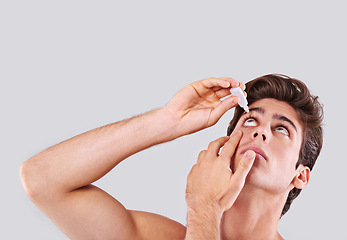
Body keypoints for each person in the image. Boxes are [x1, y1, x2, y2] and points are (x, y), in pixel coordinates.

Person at [20, 74, 323, 240]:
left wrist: (205, 208)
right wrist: (164, 122)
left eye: (282, 130)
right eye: (250, 120)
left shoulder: (201, 215)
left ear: (301, 175)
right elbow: (41, 180)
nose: (260, 132)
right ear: (227, 143)